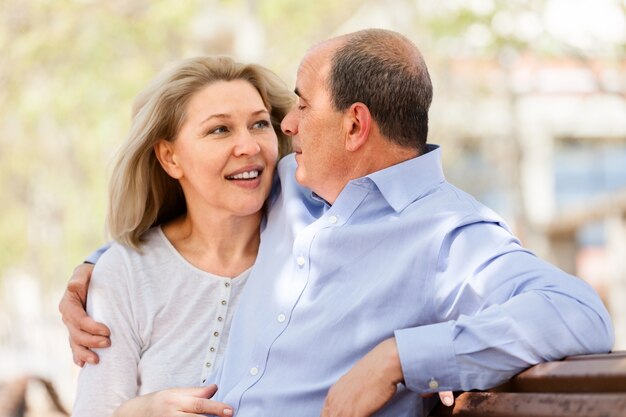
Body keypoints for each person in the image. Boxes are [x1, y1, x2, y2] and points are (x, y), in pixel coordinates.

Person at [60, 29, 614, 417]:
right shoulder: (286, 189)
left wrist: (400, 358)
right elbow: (197, 207)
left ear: (354, 126)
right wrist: (98, 268)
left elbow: (577, 314)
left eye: (301, 105)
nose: (285, 125)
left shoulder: (448, 236)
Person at [68, 55, 295, 417]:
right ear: (170, 157)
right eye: (219, 129)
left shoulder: (309, 250)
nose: (249, 147)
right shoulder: (125, 273)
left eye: (259, 124)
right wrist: (143, 410)